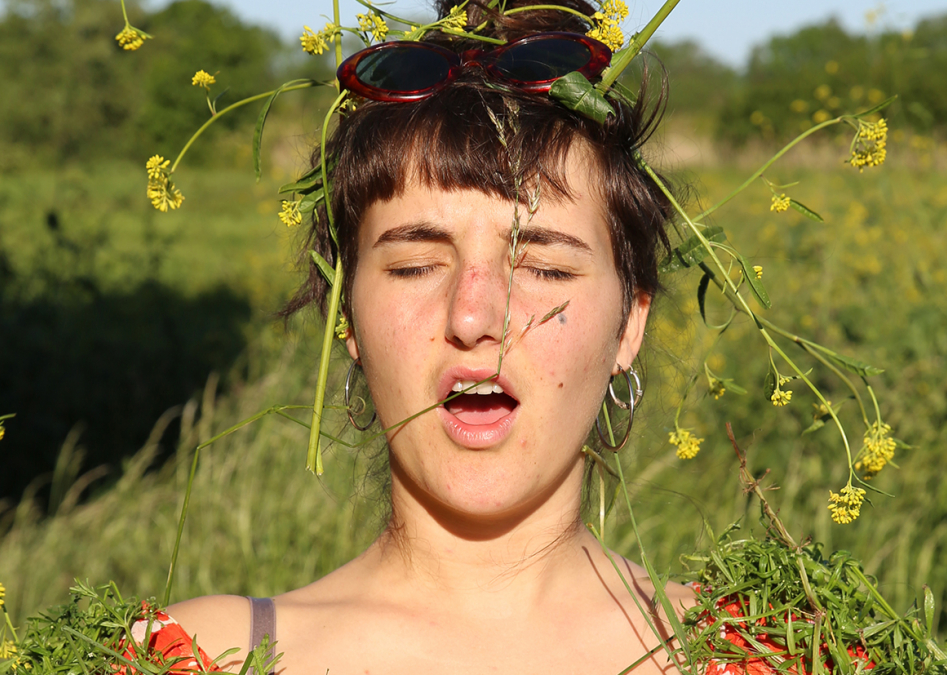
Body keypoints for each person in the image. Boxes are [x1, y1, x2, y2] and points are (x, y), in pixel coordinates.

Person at [160, 1, 696, 672]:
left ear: (630, 323)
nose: (473, 317)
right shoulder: (198, 655)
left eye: (545, 266)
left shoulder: (771, 648)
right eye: (414, 266)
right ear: (346, 318)